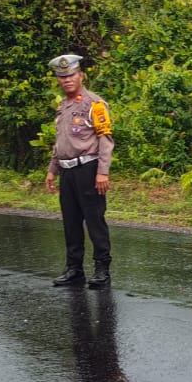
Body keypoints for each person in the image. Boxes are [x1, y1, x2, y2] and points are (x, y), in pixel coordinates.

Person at [45, 54, 114, 289]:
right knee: (71, 222)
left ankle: (102, 269)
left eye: (71, 75)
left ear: (81, 75)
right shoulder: (62, 106)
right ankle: (74, 269)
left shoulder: (94, 104)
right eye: (62, 76)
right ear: (58, 80)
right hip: (67, 171)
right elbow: (60, 141)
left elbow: (105, 140)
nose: (67, 80)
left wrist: (102, 172)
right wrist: (52, 169)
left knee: (94, 221)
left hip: (88, 168)